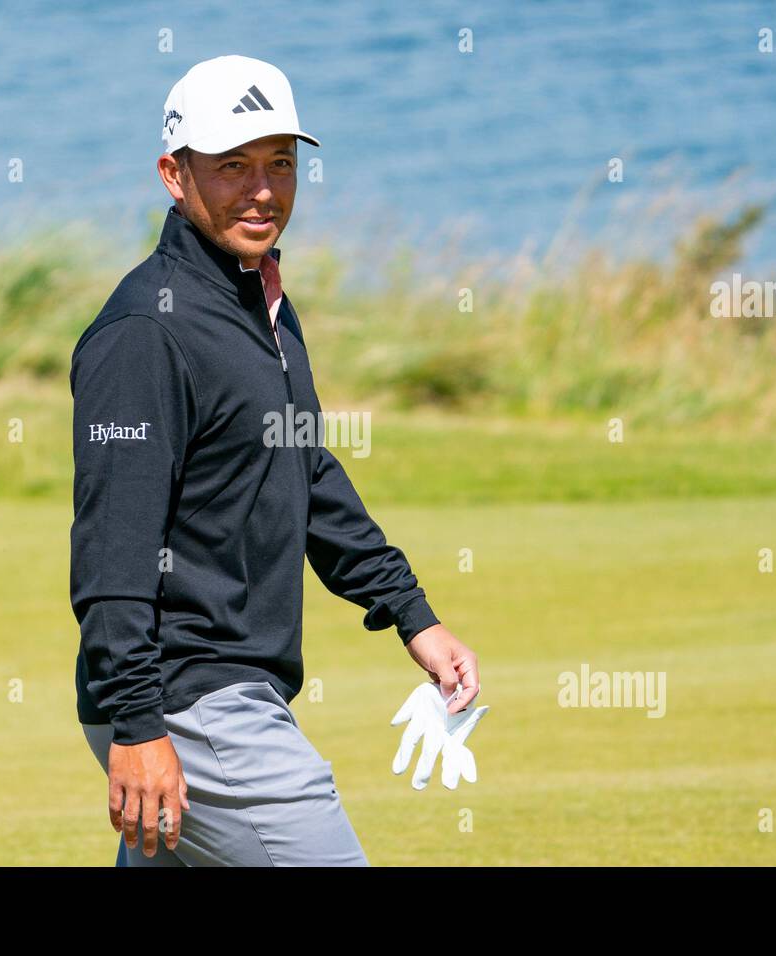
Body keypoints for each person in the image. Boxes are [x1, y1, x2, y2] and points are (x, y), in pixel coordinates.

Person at [70, 54, 480, 866]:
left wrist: (412, 613)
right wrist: (138, 726)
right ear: (172, 174)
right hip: (187, 698)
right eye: (232, 167)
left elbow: (305, 473)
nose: (263, 190)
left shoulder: (261, 302)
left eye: (281, 163)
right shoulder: (146, 334)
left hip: (220, 690)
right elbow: (114, 548)